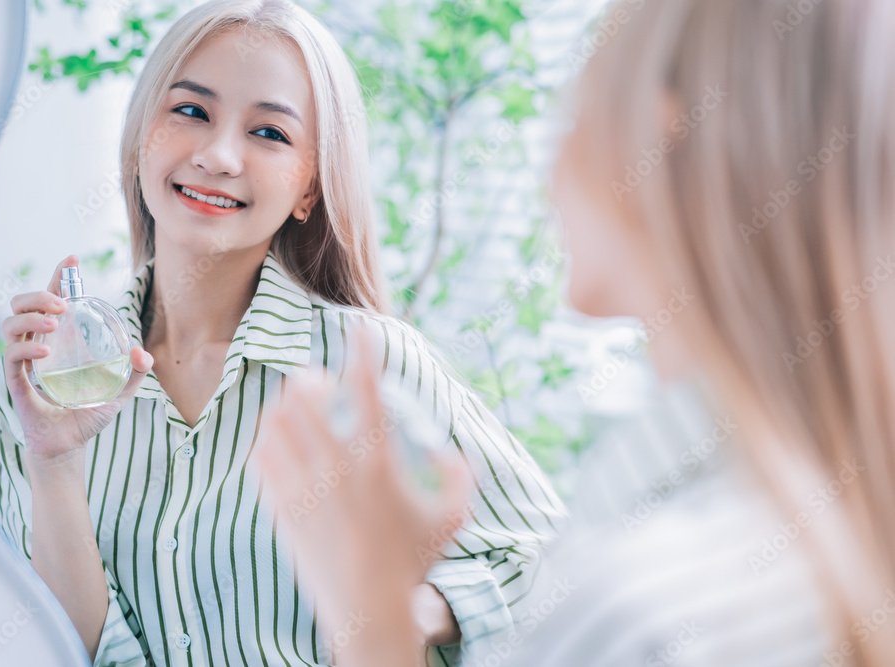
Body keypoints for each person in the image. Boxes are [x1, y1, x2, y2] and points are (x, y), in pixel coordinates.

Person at [260, 0, 895, 665]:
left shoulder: (638, 613)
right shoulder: (822, 526)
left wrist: (370, 609)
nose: (549, 167)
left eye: (573, 113)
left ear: (651, 153)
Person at [0, 1, 564, 666]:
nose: (218, 155)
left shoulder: (370, 365)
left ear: (308, 188)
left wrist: (396, 609)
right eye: (191, 111)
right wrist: (52, 463)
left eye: (269, 133)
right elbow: (63, 644)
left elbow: (553, 567)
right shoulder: (47, 385)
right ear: (142, 133)